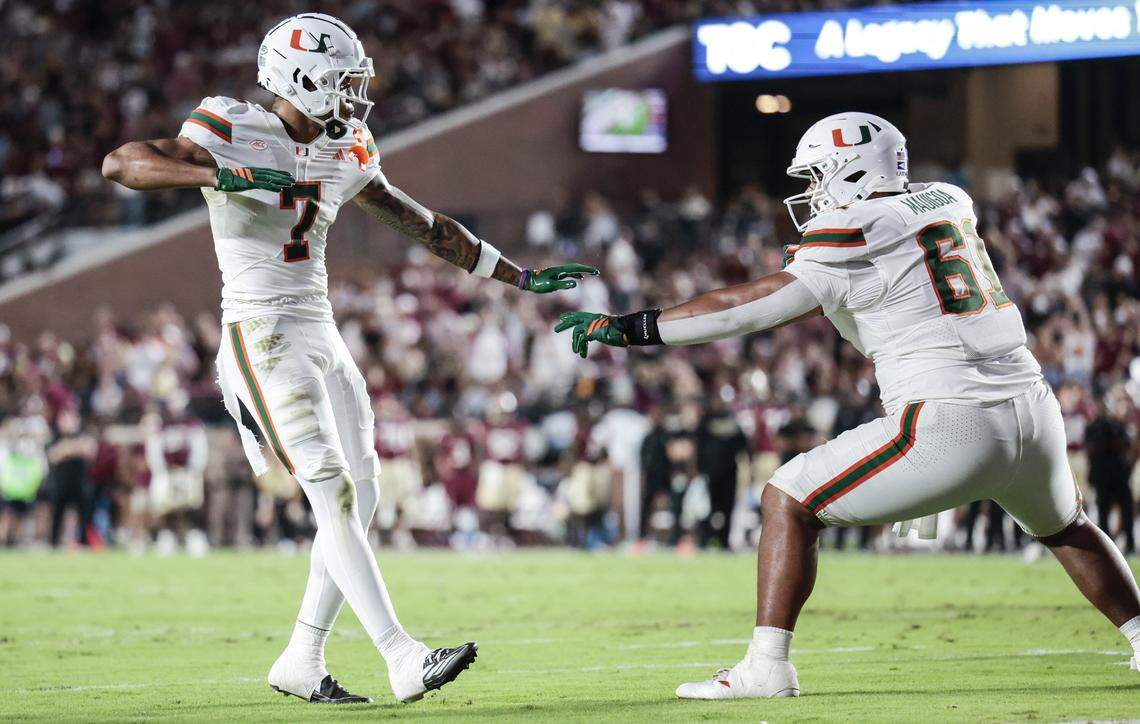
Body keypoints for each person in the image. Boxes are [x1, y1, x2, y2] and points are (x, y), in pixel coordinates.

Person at [556, 112, 1140, 699]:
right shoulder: (948, 201)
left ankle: (767, 667)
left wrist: (632, 327)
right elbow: (865, 307)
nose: (812, 192)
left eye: (819, 176)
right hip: (1032, 411)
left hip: (948, 419)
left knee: (787, 498)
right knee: (1068, 528)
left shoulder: (854, 228)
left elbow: (747, 306)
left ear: (854, 170)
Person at [101, 12, 596, 704]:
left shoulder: (346, 142)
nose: (354, 96)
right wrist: (225, 176)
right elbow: (122, 163)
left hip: (320, 331)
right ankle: (401, 656)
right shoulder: (228, 122)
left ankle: (302, 658)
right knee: (329, 489)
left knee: (361, 494)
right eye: (342, 82)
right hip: (259, 331)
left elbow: (420, 223)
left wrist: (515, 275)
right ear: (299, 78)